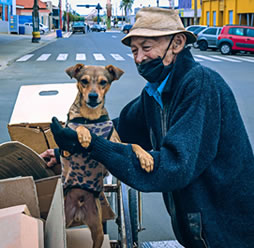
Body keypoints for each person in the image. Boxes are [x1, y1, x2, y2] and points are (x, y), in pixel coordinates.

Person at [42, 7, 254, 248]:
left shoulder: (200, 85)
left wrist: (90, 145)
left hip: (228, 232)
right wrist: (69, 151)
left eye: (146, 47)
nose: (139, 58)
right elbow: (120, 132)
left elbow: (174, 166)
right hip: (199, 232)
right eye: (134, 50)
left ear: (177, 43)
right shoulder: (155, 92)